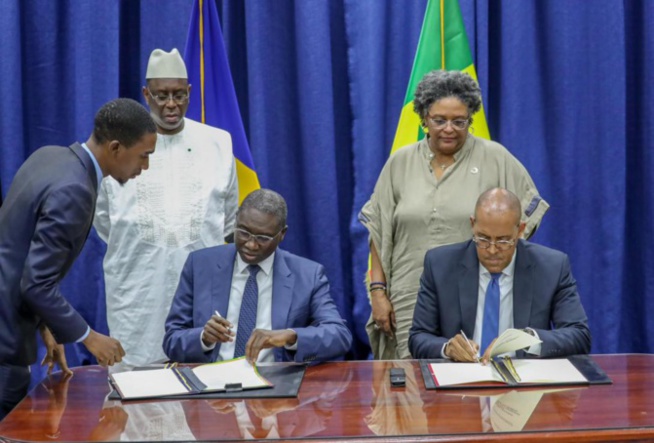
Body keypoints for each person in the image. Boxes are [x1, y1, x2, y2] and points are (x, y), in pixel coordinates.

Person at [360, 70, 550, 360]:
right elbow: (379, 231)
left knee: (469, 381)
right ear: (424, 117)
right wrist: (377, 292)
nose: (449, 129)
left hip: (473, 296)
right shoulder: (400, 163)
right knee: (412, 387)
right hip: (407, 297)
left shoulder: (495, 158)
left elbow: (523, 222)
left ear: (470, 119)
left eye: (459, 121)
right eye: (440, 120)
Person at [0, 98, 157, 419]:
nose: (145, 167)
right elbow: (37, 284)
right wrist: (89, 338)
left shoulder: (49, 156)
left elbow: (17, 252)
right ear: (115, 148)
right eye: (144, 156)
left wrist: (46, 326)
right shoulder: (75, 190)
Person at [94, 48, 239, 372]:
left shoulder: (218, 143)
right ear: (146, 95)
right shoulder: (118, 147)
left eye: (178, 95)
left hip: (202, 295)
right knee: (138, 401)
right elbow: (105, 222)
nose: (170, 104)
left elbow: (228, 220)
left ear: (189, 92)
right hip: (138, 295)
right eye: (161, 96)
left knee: (207, 399)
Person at [163, 189, 352, 364]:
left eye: (263, 238)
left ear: (282, 234)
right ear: (236, 220)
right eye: (244, 232)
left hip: (275, 385)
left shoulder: (308, 275)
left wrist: (289, 336)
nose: (251, 245)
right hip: (212, 385)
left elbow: (339, 336)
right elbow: (172, 339)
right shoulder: (200, 265)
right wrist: (204, 337)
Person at [408, 188, 591, 360]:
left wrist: (526, 339)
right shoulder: (440, 265)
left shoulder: (552, 267)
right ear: (473, 224)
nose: (492, 250)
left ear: (520, 231)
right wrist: (448, 348)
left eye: (503, 240)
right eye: (483, 239)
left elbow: (579, 335)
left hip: (524, 382)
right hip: (462, 380)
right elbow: (418, 337)